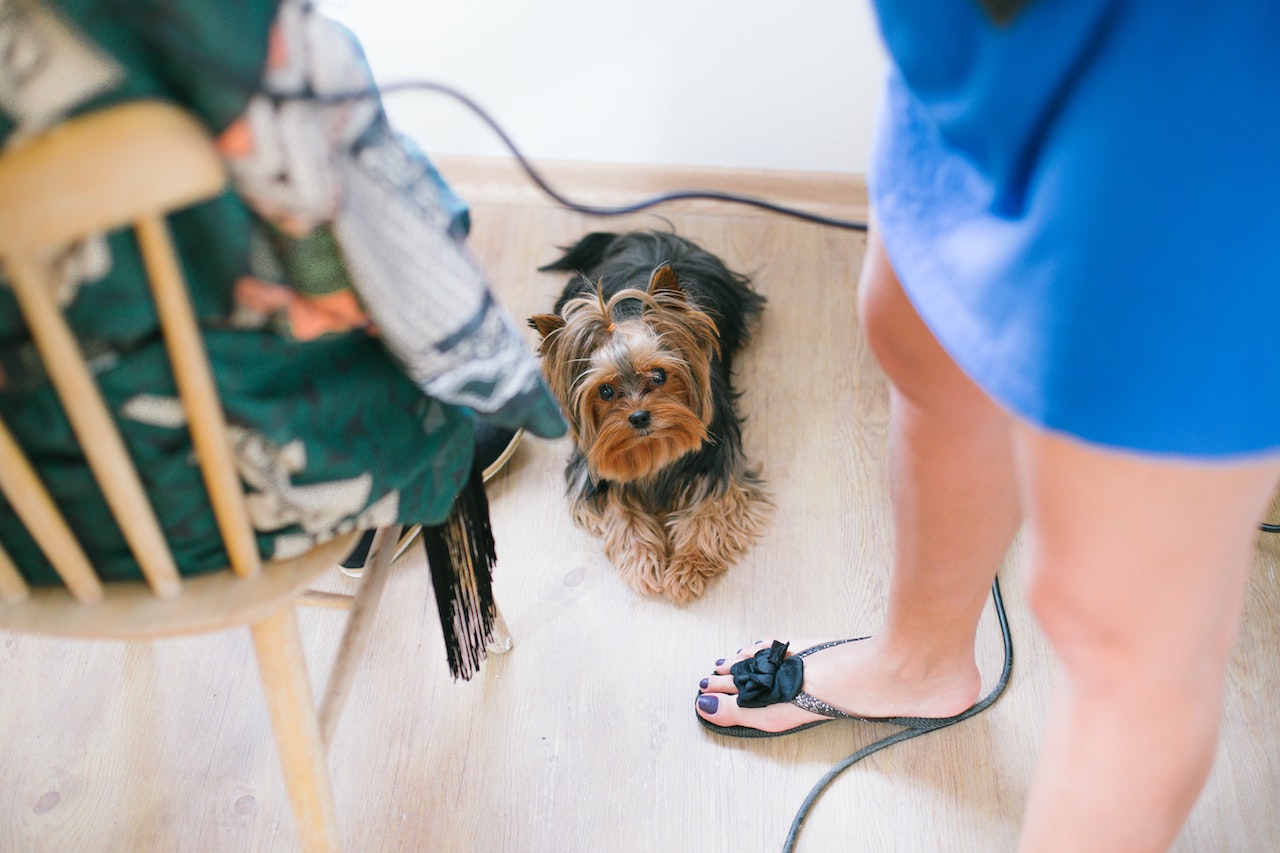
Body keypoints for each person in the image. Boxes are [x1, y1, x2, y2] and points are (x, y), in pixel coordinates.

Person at [695, 1, 1280, 849]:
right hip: (998, 39)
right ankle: (922, 660)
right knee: (919, 335)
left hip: (1202, 101)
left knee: (1122, 626)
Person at [0, 0, 565, 678]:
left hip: (25, 528)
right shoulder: (223, 33)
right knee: (355, 242)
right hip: (227, 503)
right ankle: (363, 511)